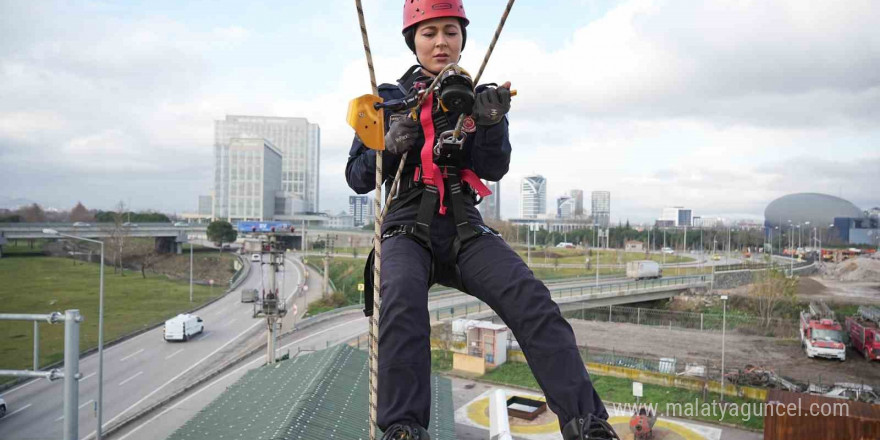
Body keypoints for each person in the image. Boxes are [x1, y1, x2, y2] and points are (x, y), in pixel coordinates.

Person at [345, 1, 618, 439]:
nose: (441, 42)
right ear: (413, 41)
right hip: (405, 223)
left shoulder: (475, 96)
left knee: (533, 301)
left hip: (462, 223)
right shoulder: (387, 99)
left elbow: (493, 168)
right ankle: (403, 429)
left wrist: (490, 121)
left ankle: (587, 424)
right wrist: (388, 144)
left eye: (450, 32)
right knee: (400, 301)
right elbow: (357, 178)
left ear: (462, 39)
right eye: (429, 32)